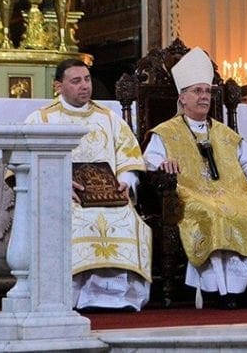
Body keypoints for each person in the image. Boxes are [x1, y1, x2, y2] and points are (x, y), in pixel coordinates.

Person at [142, 47, 247, 310]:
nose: (204, 97)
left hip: (234, 194)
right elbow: (148, 160)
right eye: (198, 91)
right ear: (183, 98)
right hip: (193, 195)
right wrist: (162, 163)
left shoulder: (225, 133)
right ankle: (221, 292)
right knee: (215, 215)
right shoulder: (165, 132)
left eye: (208, 92)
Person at [24, 59, 152, 311]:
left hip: (110, 196)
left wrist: (125, 182)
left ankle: (117, 297)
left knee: (127, 219)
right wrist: (58, 184)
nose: (84, 86)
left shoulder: (110, 119)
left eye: (87, 79)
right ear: (58, 86)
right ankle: (77, 296)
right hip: (64, 197)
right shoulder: (41, 119)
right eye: (76, 81)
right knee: (79, 221)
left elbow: (129, 158)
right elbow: (24, 164)